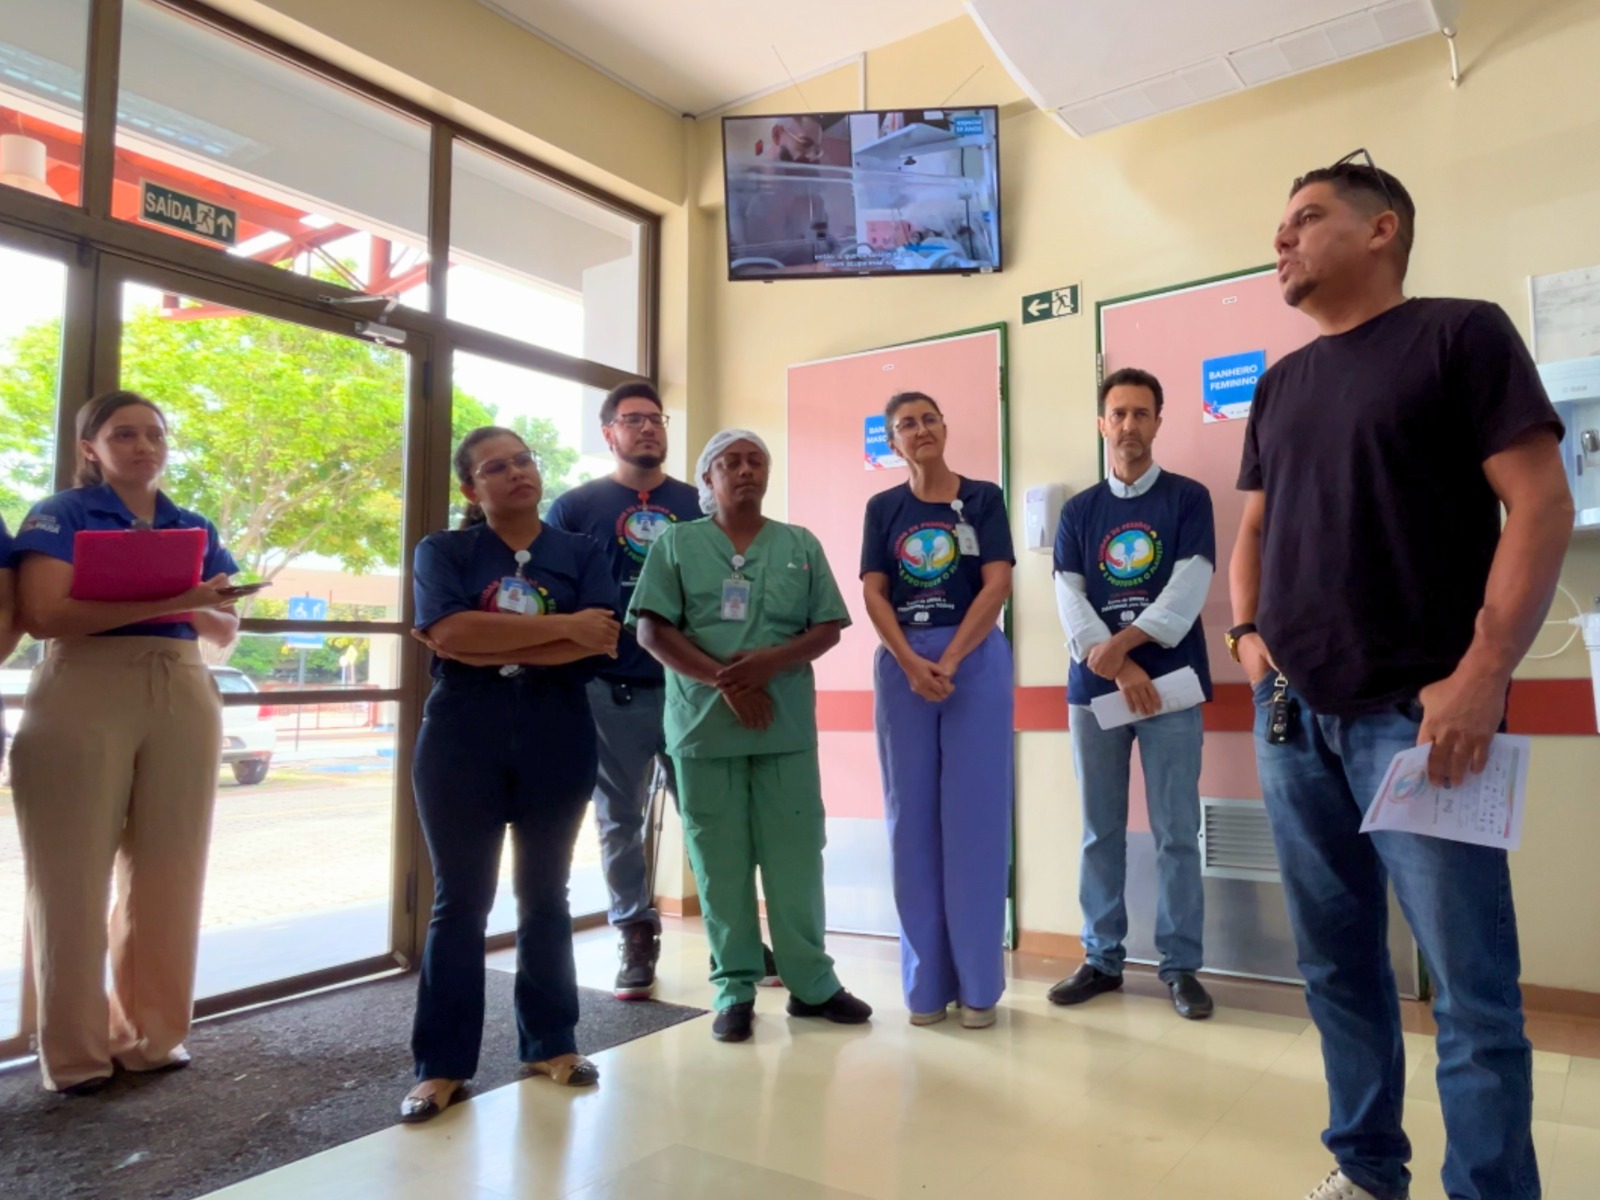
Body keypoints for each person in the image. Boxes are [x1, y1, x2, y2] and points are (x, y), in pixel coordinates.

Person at [1229, 153, 1570, 1200]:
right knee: (1336, 965)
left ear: (1382, 230)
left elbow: (1541, 503)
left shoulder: (1459, 336)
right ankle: (1367, 1169)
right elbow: (1254, 528)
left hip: (1423, 720)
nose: (1281, 238)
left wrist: (1482, 674)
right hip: (1293, 719)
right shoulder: (1280, 385)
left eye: (1305, 216)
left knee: (1469, 990)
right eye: (1281, 223)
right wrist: (1247, 638)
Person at [9, 390, 241, 1095]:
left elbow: (225, 629)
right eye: (124, 434)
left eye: (154, 434)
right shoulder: (62, 513)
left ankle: (153, 1038)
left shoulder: (192, 524)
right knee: (70, 878)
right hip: (84, 685)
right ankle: (75, 1055)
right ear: (91, 448)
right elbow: (45, 614)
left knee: (171, 870)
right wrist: (180, 598)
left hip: (182, 684)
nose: (144, 446)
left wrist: (196, 603)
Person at [401, 426, 622, 1123]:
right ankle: (441, 1066)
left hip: (558, 733)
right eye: (497, 467)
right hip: (461, 736)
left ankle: (552, 1043)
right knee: (460, 901)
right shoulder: (443, 550)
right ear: (472, 488)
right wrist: (561, 629)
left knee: (545, 893)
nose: (517, 472)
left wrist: (481, 638)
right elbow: (449, 635)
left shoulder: (580, 551)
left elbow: (601, 639)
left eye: (524, 460)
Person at [628, 429, 872, 1043]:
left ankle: (811, 984)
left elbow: (828, 627)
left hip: (783, 725)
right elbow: (651, 631)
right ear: (707, 478)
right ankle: (734, 988)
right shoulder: (677, 543)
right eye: (731, 462)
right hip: (705, 726)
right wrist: (727, 681)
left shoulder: (798, 544)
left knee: (796, 859)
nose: (745, 471)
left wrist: (768, 665)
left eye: (756, 461)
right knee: (720, 863)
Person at [547, 382, 779, 1000]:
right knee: (618, 819)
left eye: (656, 418)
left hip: (693, 688)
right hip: (609, 690)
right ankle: (634, 930)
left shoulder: (696, 503)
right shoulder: (574, 508)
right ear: (609, 433)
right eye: (633, 420)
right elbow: (557, 596)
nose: (648, 428)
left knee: (711, 817)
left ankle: (737, 936)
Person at [1048, 368, 1217, 1022]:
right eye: (1118, 413)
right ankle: (1101, 958)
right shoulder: (1079, 512)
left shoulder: (1188, 499)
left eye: (1141, 413)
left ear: (1158, 422)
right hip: (1096, 694)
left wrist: (1124, 647)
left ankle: (1181, 966)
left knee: (1177, 831)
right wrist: (1119, 668)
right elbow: (1068, 597)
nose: (1128, 425)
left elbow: (1189, 585)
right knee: (1100, 831)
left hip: (1172, 686)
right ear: (1102, 424)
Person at [860, 391, 1015, 1029]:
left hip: (972, 660)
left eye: (928, 419)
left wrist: (950, 659)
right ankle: (925, 988)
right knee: (911, 824)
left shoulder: (982, 499)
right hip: (904, 667)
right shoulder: (883, 508)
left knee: (976, 823)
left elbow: (998, 584)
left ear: (945, 428)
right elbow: (874, 591)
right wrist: (908, 661)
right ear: (892, 443)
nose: (920, 429)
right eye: (906, 424)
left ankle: (978, 987)